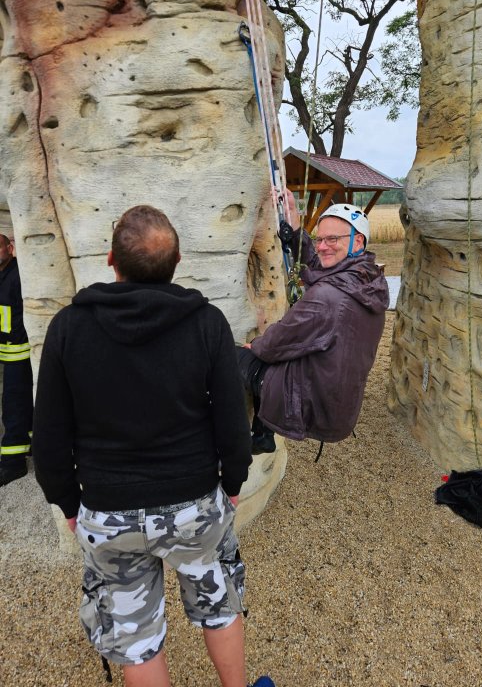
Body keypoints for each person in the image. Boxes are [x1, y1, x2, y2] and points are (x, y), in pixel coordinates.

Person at [33, 205, 275, 687]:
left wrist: (66, 501)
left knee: (134, 636)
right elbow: (232, 417)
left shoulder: (68, 328)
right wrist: (232, 482)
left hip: (108, 509)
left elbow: (50, 434)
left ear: (110, 259)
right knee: (218, 604)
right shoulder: (206, 323)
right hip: (194, 506)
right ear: (178, 260)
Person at [238, 192, 389, 454]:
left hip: (310, 400)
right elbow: (318, 263)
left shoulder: (328, 298)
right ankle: (263, 435)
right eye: (320, 239)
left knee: (233, 357)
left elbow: (275, 344)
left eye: (332, 239)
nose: (322, 246)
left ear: (358, 241)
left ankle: (237, 436)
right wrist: (295, 226)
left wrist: (255, 345)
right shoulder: (370, 280)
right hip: (338, 400)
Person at [0, 234, 34, 486]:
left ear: (10, 248)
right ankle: (32, 442)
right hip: (7, 349)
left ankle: (13, 463)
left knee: (14, 404)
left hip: (19, 351)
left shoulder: (20, 276)